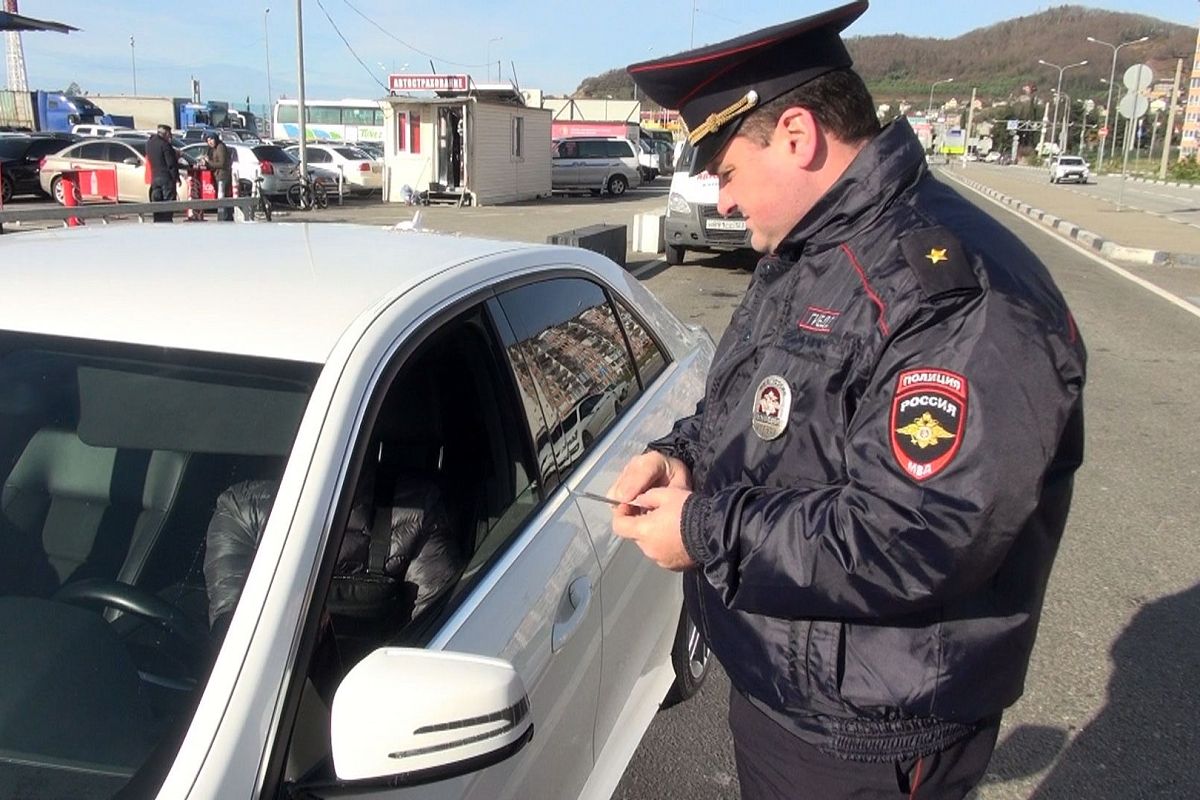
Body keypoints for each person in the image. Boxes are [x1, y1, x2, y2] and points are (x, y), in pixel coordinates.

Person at [611, 2, 1087, 798]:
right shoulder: (812, 250)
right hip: (791, 685)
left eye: (725, 172)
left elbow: (917, 535)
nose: (722, 203)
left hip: (871, 726)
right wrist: (680, 456)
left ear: (797, 136)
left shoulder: (954, 293)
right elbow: (759, 408)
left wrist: (701, 529)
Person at [145, 123, 180, 222]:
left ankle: (157, 222)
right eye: (169, 134)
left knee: (157, 203)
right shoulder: (165, 145)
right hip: (166, 179)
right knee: (168, 205)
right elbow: (170, 164)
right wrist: (175, 177)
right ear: (166, 133)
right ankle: (167, 222)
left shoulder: (149, 143)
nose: (170, 136)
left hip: (154, 178)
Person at [204, 131, 233, 221]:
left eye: (211, 139)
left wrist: (209, 162)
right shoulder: (212, 149)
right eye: (208, 140)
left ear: (215, 138)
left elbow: (222, 163)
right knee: (220, 196)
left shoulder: (220, 147)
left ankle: (223, 216)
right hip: (217, 175)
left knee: (222, 196)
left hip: (222, 176)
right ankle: (224, 216)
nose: (210, 142)